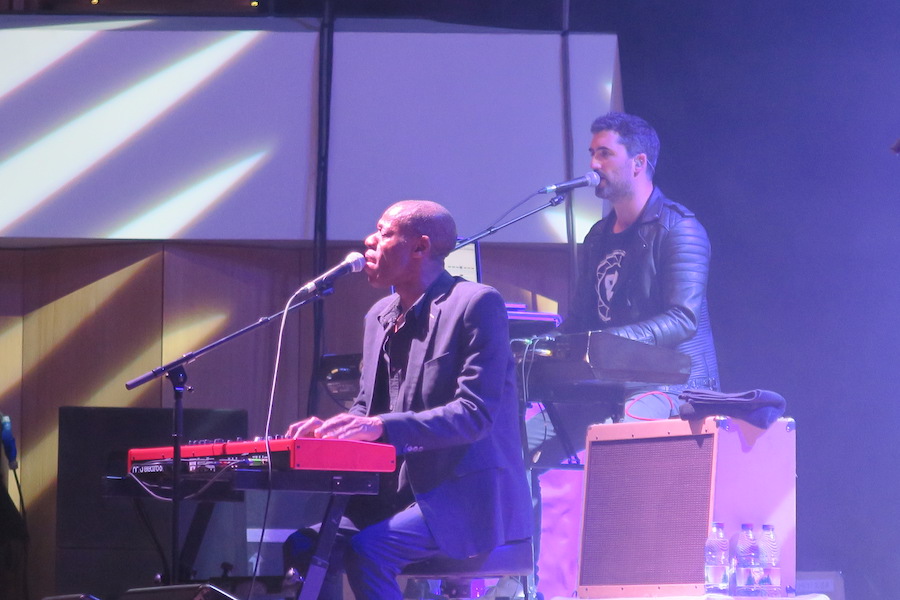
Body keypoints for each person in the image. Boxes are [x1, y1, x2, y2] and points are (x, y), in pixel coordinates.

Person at [284, 200, 533, 600]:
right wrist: (330, 430)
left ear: (420, 247)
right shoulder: (378, 316)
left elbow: (474, 414)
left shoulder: (476, 303)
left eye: (384, 233)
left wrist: (380, 426)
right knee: (305, 546)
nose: (369, 240)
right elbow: (367, 408)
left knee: (368, 552)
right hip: (393, 495)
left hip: (460, 498)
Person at [525, 112, 721, 592]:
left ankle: (626, 583)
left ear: (638, 162)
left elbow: (683, 319)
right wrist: (541, 347)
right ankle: (519, 580)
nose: (594, 164)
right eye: (592, 154)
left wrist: (608, 345)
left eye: (605, 153)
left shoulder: (680, 229)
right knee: (515, 447)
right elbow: (580, 321)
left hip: (672, 383)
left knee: (621, 448)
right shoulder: (597, 236)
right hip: (604, 382)